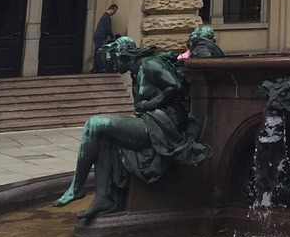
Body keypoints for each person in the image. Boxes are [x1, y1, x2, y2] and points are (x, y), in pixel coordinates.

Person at [54, 36, 209, 221]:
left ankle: (76, 188)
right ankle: (103, 198)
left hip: (161, 128)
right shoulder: (137, 70)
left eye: (113, 59)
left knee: (94, 124)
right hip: (151, 122)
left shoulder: (150, 64)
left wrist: (150, 104)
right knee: (103, 135)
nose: (111, 65)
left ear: (123, 56)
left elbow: (174, 86)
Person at [91, 3, 118, 73]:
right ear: (112, 9)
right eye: (114, 12)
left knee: (97, 53)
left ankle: (95, 68)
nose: (114, 14)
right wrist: (113, 37)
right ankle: (101, 68)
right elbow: (108, 28)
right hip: (100, 36)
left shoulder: (104, 16)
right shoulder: (107, 17)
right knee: (101, 52)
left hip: (97, 36)